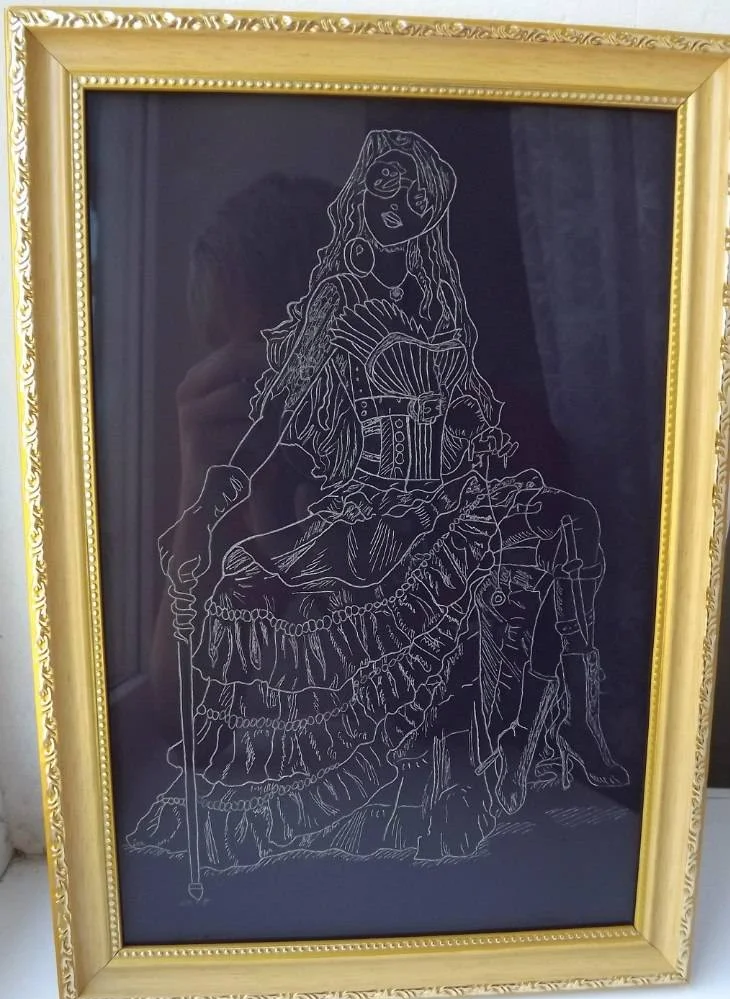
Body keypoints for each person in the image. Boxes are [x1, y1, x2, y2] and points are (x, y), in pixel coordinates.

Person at [129, 130, 628, 879]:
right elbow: (184, 717)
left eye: (296, 352)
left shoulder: (493, 442)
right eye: (247, 371)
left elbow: (420, 719)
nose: (279, 393)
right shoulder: (252, 468)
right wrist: (201, 487)